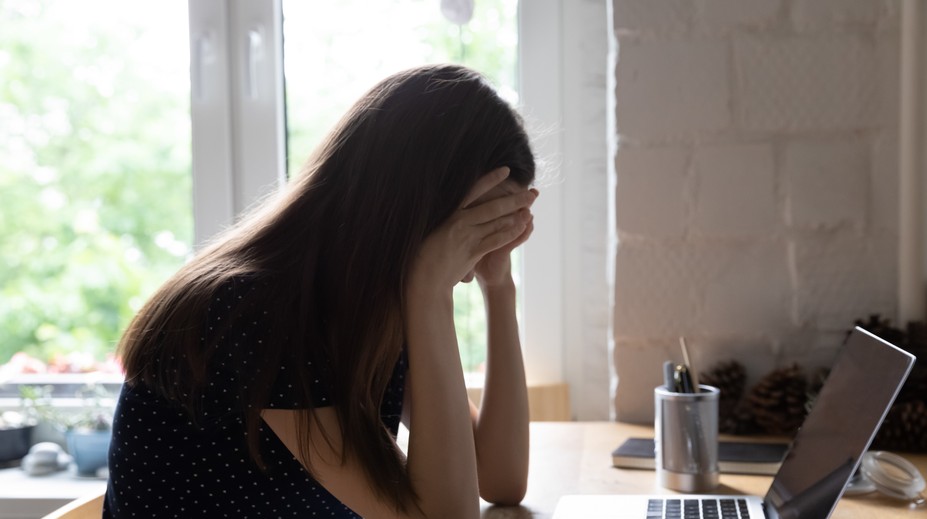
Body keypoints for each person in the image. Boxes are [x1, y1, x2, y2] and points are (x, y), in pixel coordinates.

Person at [104, 64, 538, 518]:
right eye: (474, 231)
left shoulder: (368, 306)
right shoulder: (256, 313)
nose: (467, 266)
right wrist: (430, 290)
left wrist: (499, 283)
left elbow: (500, 477)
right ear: (414, 208)